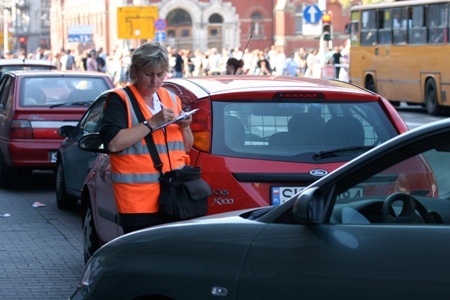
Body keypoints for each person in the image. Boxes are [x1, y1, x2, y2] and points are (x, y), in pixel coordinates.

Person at [99, 42, 193, 234]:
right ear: (135, 72)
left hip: (173, 197)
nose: (155, 81)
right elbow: (113, 143)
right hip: (138, 202)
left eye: (160, 74)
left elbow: (186, 147)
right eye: (148, 74)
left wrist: (186, 127)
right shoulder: (120, 99)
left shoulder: (171, 98)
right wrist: (151, 123)